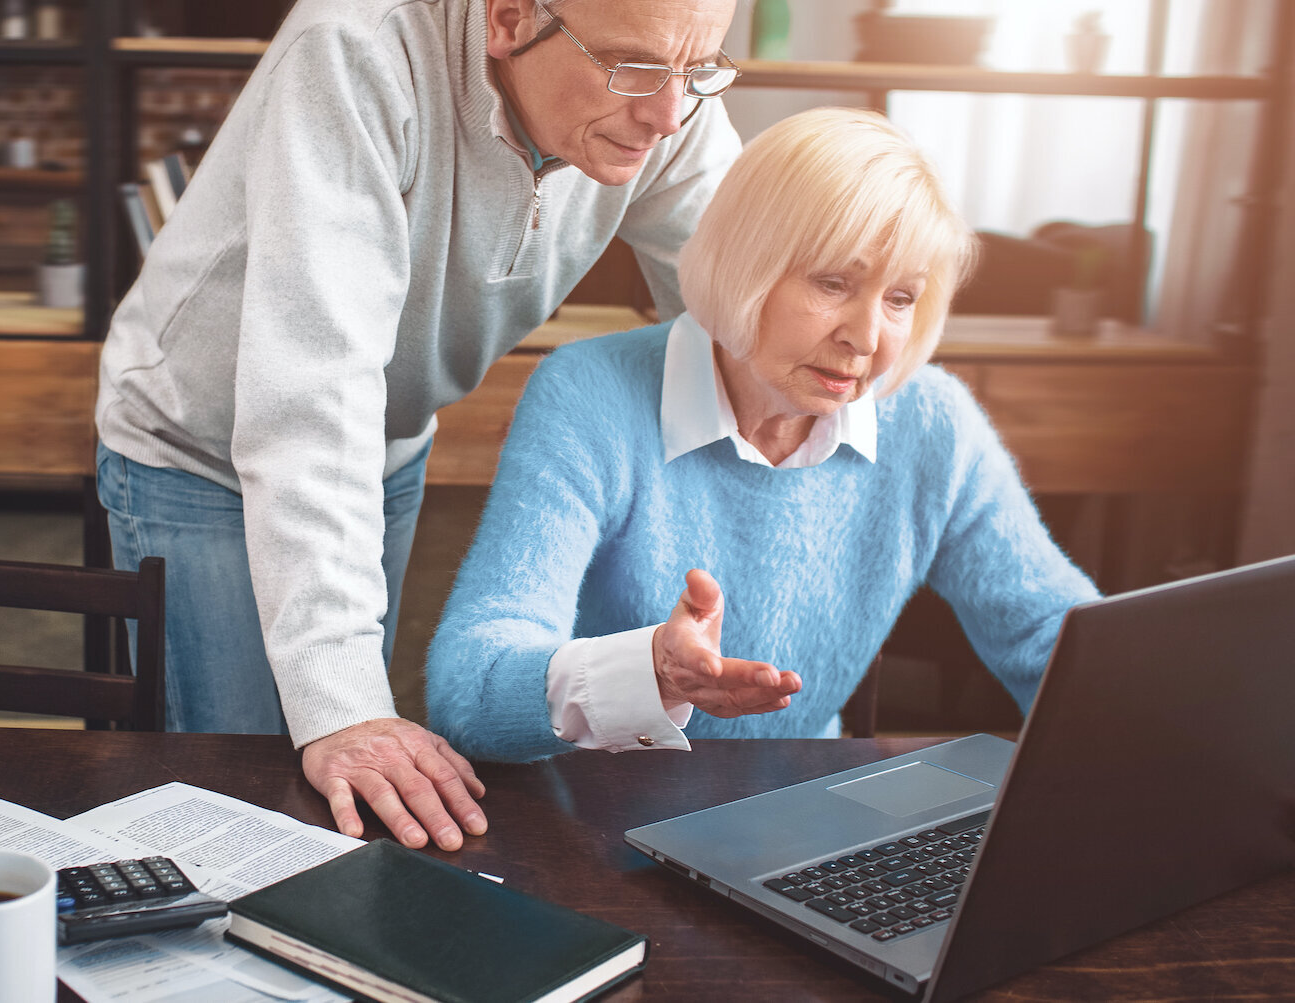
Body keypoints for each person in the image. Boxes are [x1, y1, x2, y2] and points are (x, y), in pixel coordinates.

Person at [95, 0, 784, 850]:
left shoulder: (666, 96)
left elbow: (744, 292)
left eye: (698, 69)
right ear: (507, 16)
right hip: (201, 443)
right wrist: (339, 707)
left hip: (384, 435)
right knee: (251, 790)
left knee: (346, 787)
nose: (667, 113)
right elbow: (312, 395)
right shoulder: (363, 42)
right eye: (631, 67)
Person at [425, 107, 1100, 762]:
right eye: (834, 282)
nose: (866, 338)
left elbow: (1054, 636)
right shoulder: (588, 392)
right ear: (744, 263)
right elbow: (470, 687)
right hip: (595, 813)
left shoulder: (931, 422)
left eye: (900, 298)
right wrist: (651, 672)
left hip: (804, 807)